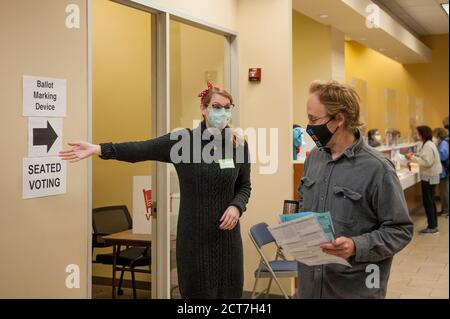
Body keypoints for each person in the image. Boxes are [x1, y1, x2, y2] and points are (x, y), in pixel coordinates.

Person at [59, 82, 252, 298]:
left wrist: (237, 206)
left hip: (228, 242)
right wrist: (99, 149)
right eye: (217, 107)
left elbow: (244, 185)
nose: (222, 113)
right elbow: (141, 148)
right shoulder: (183, 141)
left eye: (227, 107)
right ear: (204, 108)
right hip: (195, 242)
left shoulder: (238, 144)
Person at [298, 80, 413, 299]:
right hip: (310, 286)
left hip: (353, 288)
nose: (309, 126)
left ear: (339, 119)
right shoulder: (313, 158)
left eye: (313, 120)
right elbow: (304, 204)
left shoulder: (377, 168)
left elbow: (400, 230)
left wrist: (355, 245)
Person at [406, 126, 442, 234]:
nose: (416, 135)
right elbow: (426, 157)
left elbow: (427, 162)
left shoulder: (428, 145)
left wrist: (412, 158)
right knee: (431, 202)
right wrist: (416, 156)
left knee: (428, 202)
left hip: (429, 177)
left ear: (422, 134)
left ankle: (432, 227)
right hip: (431, 176)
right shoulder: (428, 144)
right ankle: (433, 225)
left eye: (417, 133)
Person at [433, 128, 449, 217]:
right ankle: (444, 209)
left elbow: (443, 157)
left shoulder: (443, 143)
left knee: (444, 191)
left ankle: (446, 210)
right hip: (445, 170)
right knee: (444, 190)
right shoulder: (444, 142)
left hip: (444, 171)